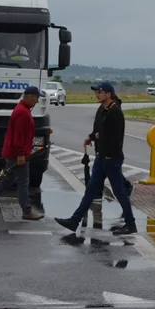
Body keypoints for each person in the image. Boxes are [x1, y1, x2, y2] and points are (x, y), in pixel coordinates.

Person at [56, 82, 138, 234]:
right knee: (91, 190)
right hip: (101, 158)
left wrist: (108, 155)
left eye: (100, 92)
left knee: (119, 192)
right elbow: (100, 131)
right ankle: (75, 220)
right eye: (97, 92)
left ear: (108, 94)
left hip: (110, 159)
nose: (97, 95)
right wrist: (91, 137)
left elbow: (116, 138)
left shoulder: (115, 112)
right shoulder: (103, 110)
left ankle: (131, 224)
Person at [0, 86, 44, 221]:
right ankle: (27, 211)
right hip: (16, 154)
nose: (37, 101)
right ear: (30, 97)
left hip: (12, 152)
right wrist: (21, 155)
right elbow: (18, 136)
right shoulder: (22, 113)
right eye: (36, 98)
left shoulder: (22, 110)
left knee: (7, 180)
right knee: (23, 182)